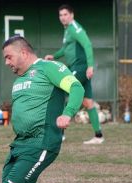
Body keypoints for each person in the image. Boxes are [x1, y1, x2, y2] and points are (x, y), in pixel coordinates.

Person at [0, 36, 84, 183]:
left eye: (9, 57)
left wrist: (68, 113)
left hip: (42, 141)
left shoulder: (48, 68)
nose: (6, 62)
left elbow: (76, 87)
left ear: (24, 53)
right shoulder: (19, 79)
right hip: (19, 143)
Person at [44, 4, 104, 144]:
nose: (63, 17)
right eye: (61, 15)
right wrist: (54, 56)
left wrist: (90, 66)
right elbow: (66, 49)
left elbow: (88, 45)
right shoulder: (68, 30)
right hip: (79, 67)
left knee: (60, 90)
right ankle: (98, 136)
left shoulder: (75, 28)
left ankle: (59, 134)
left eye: (65, 14)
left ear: (72, 15)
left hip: (81, 68)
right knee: (88, 102)